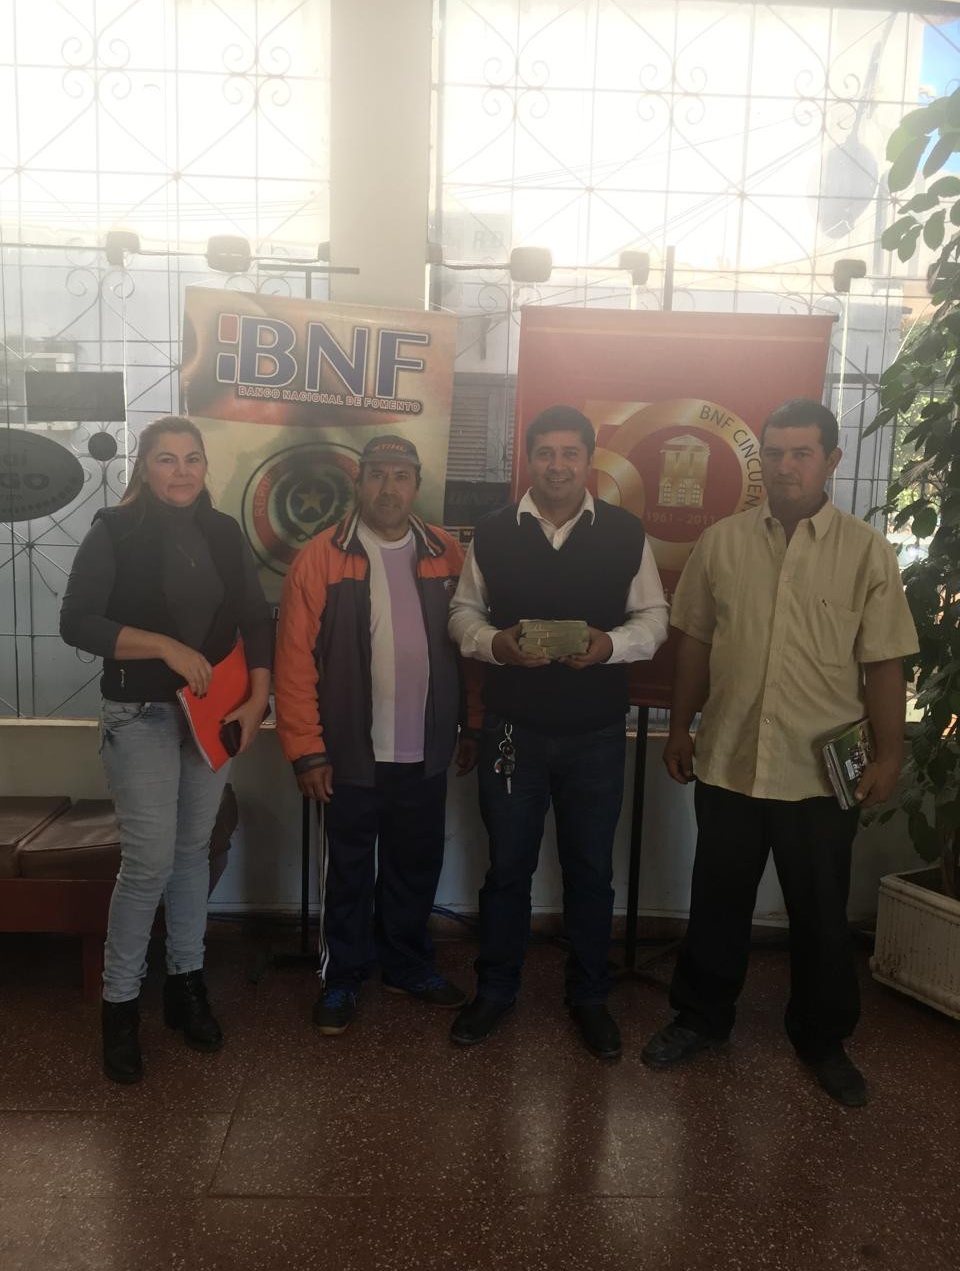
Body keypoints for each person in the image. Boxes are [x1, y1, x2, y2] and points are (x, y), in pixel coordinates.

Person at [642, 398, 919, 1107]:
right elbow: (695, 643)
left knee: (822, 915)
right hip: (729, 760)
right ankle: (700, 1019)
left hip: (821, 777)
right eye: (775, 452)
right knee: (717, 904)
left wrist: (890, 756)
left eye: (802, 453)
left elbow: (884, 662)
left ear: (831, 460)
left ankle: (823, 1038)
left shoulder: (866, 551)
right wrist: (681, 728)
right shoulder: (722, 543)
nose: (785, 466)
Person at [448, 405, 669, 1058]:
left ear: (589, 460)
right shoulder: (493, 532)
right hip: (512, 730)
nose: (557, 465)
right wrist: (495, 645)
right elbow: (462, 613)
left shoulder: (625, 532)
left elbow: (654, 619)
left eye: (570, 453)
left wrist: (610, 646)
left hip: (596, 732)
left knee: (591, 872)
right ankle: (496, 989)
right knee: (507, 869)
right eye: (545, 452)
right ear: (529, 459)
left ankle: (590, 997)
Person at [60, 415, 273, 1084]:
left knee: (191, 853)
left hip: (214, 716)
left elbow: (255, 616)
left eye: (192, 458)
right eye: (165, 459)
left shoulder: (223, 531)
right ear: (144, 467)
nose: (181, 471)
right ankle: (120, 1007)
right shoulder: (114, 530)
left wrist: (259, 699)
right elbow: (76, 622)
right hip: (141, 715)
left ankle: (186, 985)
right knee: (149, 861)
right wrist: (164, 647)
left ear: (206, 466)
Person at [274, 434, 474, 1036]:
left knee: (416, 864)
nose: (389, 488)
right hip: (347, 756)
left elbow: (470, 649)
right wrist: (306, 750)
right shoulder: (320, 557)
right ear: (358, 482)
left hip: (425, 751)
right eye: (378, 475)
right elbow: (293, 663)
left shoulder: (446, 552)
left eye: (401, 476)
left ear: (417, 485)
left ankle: (407, 965)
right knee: (349, 872)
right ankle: (341, 977)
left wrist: (473, 726)